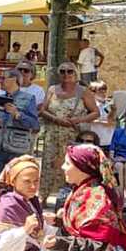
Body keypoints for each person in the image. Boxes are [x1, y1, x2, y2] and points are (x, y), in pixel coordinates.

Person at [0, 69, 39, 220]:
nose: (1, 81)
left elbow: (34, 124)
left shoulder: (28, 98)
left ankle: (14, 218)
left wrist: (17, 114)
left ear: (14, 80)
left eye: (4, 78)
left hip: (16, 148)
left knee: (17, 186)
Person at [39, 62, 98, 201]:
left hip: (72, 135)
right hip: (53, 134)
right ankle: (43, 197)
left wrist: (78, 119)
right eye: (63, 71)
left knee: (70, 165)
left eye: (70, 71)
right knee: (49, 165)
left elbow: (96, 112)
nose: (66, 74)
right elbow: (42, 110)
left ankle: (68, 197)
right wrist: (56, 119)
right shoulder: (53, 90)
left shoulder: (83, 91)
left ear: (75, 74)